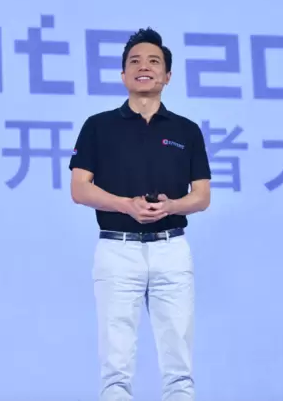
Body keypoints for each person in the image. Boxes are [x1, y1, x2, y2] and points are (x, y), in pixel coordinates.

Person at [68, 28, 211, 401]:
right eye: (134, 61)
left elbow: (202, 196)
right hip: (117, 249)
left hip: (171, 248)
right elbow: (79, 189)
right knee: (115, 367)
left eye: (153, 62)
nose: (143, 67)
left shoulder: (186, 131)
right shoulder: (98, 126)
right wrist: (126, 205)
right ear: (123, 75)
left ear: (167, 76)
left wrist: (171, 206)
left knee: (179, 366)